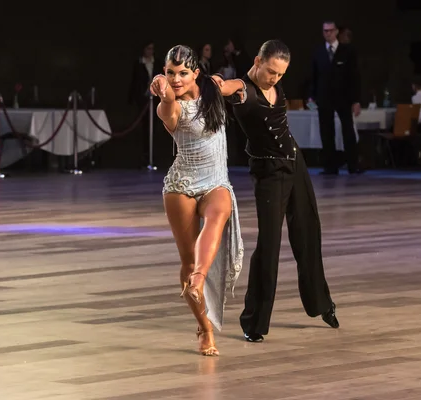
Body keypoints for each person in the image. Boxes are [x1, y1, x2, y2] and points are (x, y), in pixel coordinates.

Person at [212, 40, 339, 342]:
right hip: (268, 173)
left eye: (280, 75)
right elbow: (223, 87)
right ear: (257, 60)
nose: (274, 79)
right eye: (270, 72)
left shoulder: (275, 84)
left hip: (295, 164)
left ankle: (321, 304)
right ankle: (254, 322)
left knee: (308, 233)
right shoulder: (243, 87)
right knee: (269, 246)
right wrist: (213, 82)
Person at [150, 44, 244, 356]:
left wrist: (236, 83)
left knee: (219, 214)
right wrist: (164, 93)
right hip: (182, 184)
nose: (176, 79)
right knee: (187, 260)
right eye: (170, 73)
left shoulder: (212, 91)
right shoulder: (171, 106)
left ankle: (199, 279)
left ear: (196, 74)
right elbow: (167, 109)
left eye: (182, 73)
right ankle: (204, 329)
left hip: (216, 182)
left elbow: (241, 84)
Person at [308, 20, 362, 175]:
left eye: (331, 30)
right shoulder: (318, 52)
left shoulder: (348, 51)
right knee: (326, 131)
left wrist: (356, 100)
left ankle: (353, 163)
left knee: (348, 129)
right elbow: (314, 76)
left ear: (337, 31)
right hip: (324, 97)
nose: (328, 33)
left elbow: (354, 77)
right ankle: (330, 165)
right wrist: (311, 96)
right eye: (325, 31)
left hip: (343, 96)